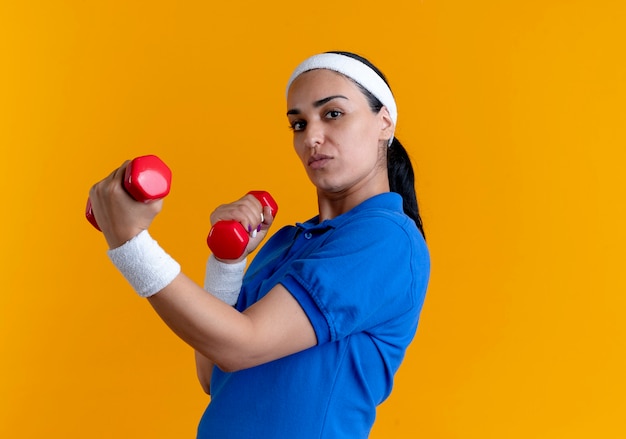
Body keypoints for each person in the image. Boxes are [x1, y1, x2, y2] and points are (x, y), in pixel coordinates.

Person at [88, 51, 430, 439]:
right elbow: (214, 370)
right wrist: (226, 263)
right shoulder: (286, 242)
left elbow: (241, 346)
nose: (312, 137)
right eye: (298, 124)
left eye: (333, 114)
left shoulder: (386, 238)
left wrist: (131, 244)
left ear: (384, 121)